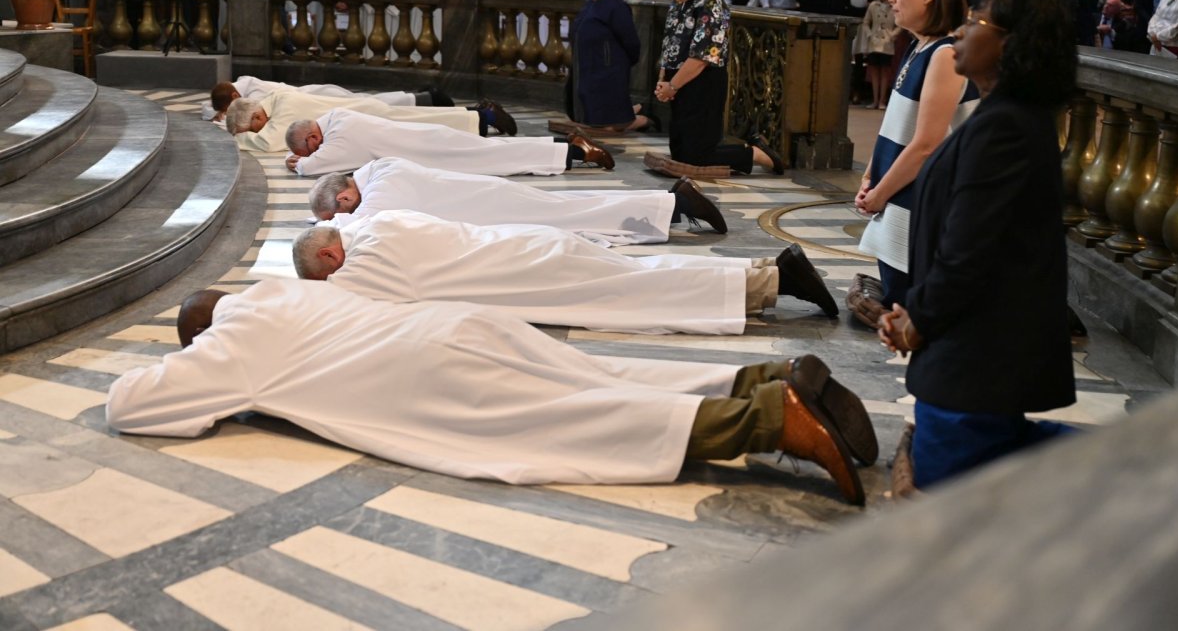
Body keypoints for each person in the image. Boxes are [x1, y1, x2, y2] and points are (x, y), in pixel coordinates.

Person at [107, 279, 871, 502]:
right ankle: (761, 377)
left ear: (204, 331)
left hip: (430, 378)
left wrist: (204, 365)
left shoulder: (233, 342)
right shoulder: (279, 291)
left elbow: (130, 405)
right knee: (601, 377)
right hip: (460, 325)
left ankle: (777, 419)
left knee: (591, 421)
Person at [879, 0, 1078, 489]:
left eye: (976, 22)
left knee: (950, 483)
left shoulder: (1006, 127)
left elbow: (970, 251)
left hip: (979, 358)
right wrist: (917, 312)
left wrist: (919, 318)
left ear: (1009, 43)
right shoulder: (1002, 116)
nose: (961, 31)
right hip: (971, 351)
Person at [292, 209, 839, 331]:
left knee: (645, 291)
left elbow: (345, 303)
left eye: (326, 274)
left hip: (529, 273)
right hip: (527, 245)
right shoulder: (376, 220)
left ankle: (775, 280)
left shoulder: (363, 264)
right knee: (642, 273)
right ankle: (764, 269)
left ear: (329, 258)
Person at [853, 0, 978, 322]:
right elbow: (896, 125)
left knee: (908, 307)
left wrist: (879, 193)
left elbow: (926, 145)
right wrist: (869, 177)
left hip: (921, 203)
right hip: (897, 193)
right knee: (895, 300)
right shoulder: (917, 46)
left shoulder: (946, 53)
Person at [310, 158, 728, 243]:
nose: (345, 215)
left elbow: (364, 220)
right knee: (575, 212)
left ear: (346, 195)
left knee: (575, 214)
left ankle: (674, 203)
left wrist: (326, 226)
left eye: (340, 209)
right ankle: (669, 205)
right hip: (489, 200)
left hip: (493, 205)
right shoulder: (378, 170)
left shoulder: (379, 188)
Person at [653, 0, 785, 175]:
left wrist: (672, 86)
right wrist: (663, 82)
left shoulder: (712, 3)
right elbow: (670, 43)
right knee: (680, 152)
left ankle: (754, 153)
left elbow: (702, 57)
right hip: (678, 81)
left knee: (698, 155)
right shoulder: (680, 1)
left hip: (702, 82)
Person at [283, 109, 612, 176]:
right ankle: (568, 146)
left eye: (311, 146)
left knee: (503, 158)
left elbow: (314, 167)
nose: (314, 151)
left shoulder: (341, 139)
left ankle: (574, 151)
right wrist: (298, 151)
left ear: (314, 137)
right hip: (430, 142)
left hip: (433, 151)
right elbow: (317, 151)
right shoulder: (336, 117)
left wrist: (299, 162)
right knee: (500, 153)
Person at [224, 90, 482, 152]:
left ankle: (478, 118)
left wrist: (239, 138)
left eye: (252, 128)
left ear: (257, 116)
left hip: (364, 115)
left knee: (419, 124)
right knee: (418, 120)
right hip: (359, 112)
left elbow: (270, 143)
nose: (256, 131)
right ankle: (475, 115)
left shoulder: (282, 108)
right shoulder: (274, 100)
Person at [567, 0, 652, 132]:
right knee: (589, 121)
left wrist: (615, 64)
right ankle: (634, 111)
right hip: (586, 70)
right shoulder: (590, 4)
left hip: (607, 73)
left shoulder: (616, 6)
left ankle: (644, 120)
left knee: (607, 126)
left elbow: (631, 43)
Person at [208, 76, 450, 121]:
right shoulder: (240, 89)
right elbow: (206, 108)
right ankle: (423, 97)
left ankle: (426, 98)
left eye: (231, 106)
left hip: (319, 99)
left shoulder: (255, 93)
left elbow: (257, 119)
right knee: (371, 104)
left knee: (373, 106)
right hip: (315, 103)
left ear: (234, 95)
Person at [862, 0, 898, 110]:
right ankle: (875, 99)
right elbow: (866, 22)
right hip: (874, 41)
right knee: (874, 71)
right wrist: (869, 34)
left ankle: (882, 99)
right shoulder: (873, 5)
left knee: (885, 71)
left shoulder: (895, 7)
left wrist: (893, 35)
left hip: (887, 42)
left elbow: (900, 24)